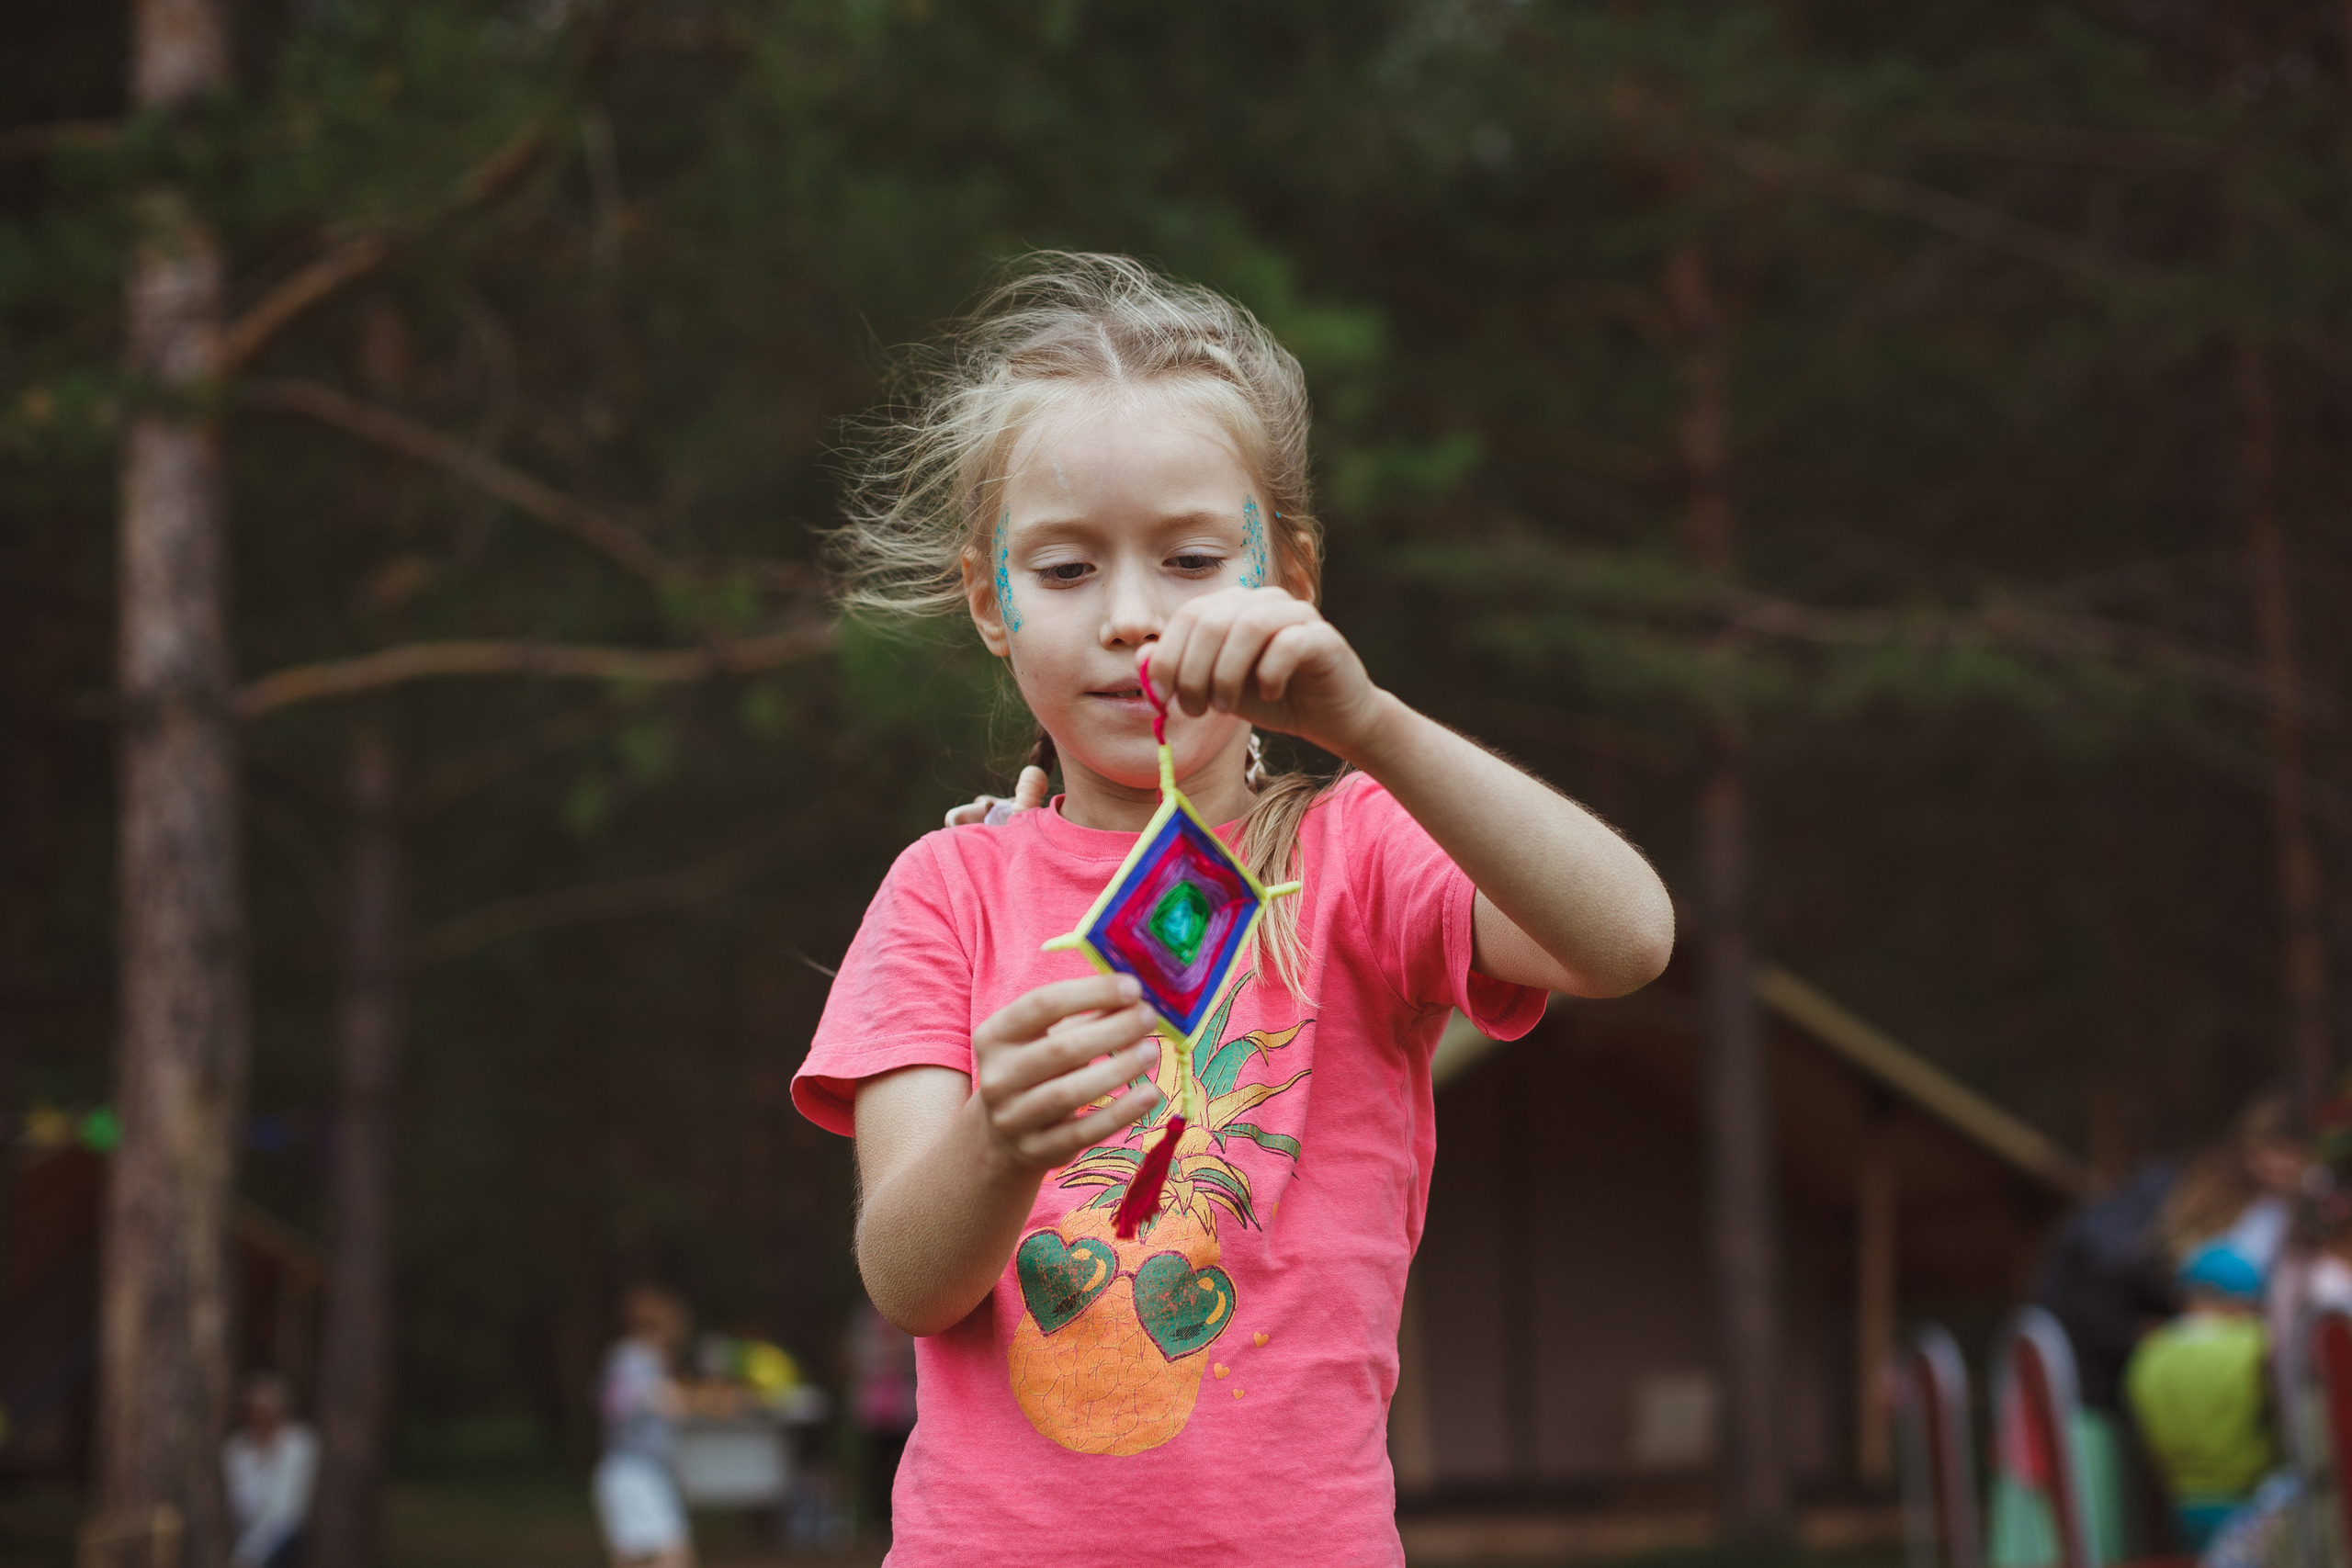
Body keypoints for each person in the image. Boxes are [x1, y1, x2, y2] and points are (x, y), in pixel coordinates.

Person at [791, 254, 1676, 1565]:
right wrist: (999, 1140)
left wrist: (1367, 724)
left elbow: (1627, 936)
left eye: (1194, 558)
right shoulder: (947, 888)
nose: (1135, 618)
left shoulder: (1362, 851)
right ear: (992, 599)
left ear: (1291, 578)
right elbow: (910, 1280)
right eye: (1069, 567)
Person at [2124, 1245, 2278, 1553]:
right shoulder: (2255, 1344)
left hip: (2183, 1501)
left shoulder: (2151, 1352)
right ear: (2243, 1299)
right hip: (2249, 1501)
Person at [594, 1287, 695, 1568]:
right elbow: (652, 1401)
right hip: (634, 1471)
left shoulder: (636, 1360)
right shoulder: (635, 1361)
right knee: (674, 1555)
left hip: (636, 1471)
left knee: (632, 1558)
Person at [221, 1372, 316, 1568]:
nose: (260, 1417)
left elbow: (285, 1512)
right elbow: (240, 1505)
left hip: (288, 1540)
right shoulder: (235, 1451)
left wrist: (247, 1556)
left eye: (266, 1411)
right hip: (244, 1535)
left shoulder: (299, 1446)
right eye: (254, 1410)